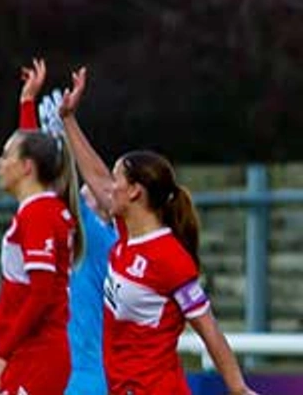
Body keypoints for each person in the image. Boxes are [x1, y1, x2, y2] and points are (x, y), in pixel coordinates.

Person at [58, 66, 259, 395]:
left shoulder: (169, 258)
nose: (110, 187)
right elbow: (95, 176)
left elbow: (209, 329)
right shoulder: (125, 233)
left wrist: (238, 387)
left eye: (118, 178)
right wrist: (69, 119)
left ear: (135, 191)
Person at [0, 61, 82, 395]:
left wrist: (1, 354)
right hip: (31, 353)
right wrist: (27, 102)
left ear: (25, 168)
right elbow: (36, 153)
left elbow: (40, 293)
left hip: (35, 356)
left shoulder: (38, 215)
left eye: (4, 156)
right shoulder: (41, 207)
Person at [15, 58, 117, 395]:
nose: (85, 196)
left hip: (85, 383)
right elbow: (38, 186)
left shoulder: (104, 240)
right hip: (59, 378)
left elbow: (48, 182)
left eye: (92, 196)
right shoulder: (60, 235)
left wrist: (55, 133)